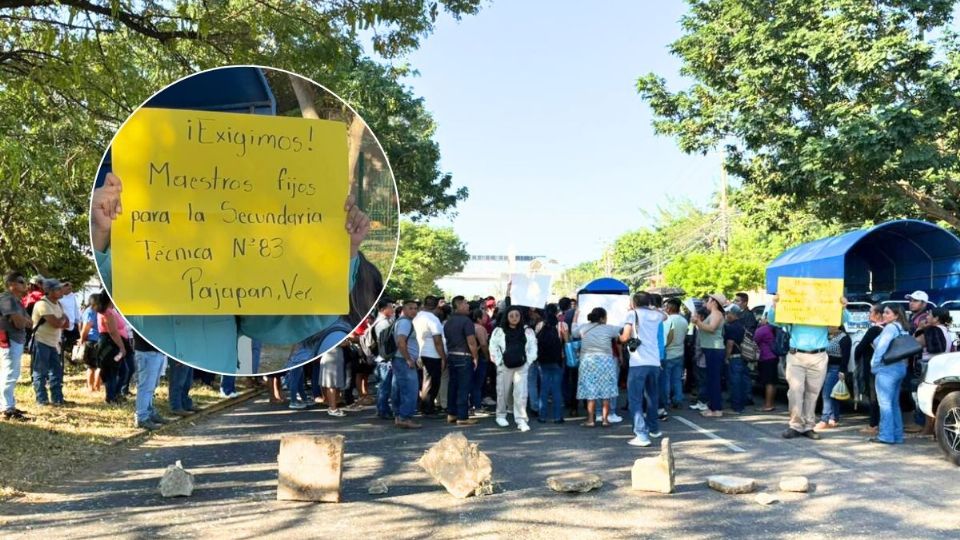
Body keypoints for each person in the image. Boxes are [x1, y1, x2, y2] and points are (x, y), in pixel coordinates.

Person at [89, 172, 370, 374]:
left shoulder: (237, 272)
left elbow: (306, 312)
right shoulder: (131, 258)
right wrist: (100, 230)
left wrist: (344, 250)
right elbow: (109, 284)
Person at [769, 294, 851, 440]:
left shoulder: (824, 311)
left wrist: (843, 307)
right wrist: (774, 305)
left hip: (818, 356)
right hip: (796, 355)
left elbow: (843, 320)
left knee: (813, 393)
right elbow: (774, 321)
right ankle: (795, 425)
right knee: (795, 391)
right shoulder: (795, 311)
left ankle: (808, 426)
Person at [572, 306, 629, 428]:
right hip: (606, 362)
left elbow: (573, 331)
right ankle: (605, 420)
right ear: (603, 318)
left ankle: (591, 420)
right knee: (606, 392)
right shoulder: (610, 329)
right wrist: (629, 315)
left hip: (588, 362)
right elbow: (624, 332)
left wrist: (576, 315)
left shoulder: (583, 328)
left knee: (590, 392)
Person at [624, 292, 666, 447]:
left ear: (634, 302)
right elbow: (665, 316)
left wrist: (620, 337)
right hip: (654, 361)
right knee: (652, 397)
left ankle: (641, 434)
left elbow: (625, 336)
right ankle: (654, 429)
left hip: (638, 363)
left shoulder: (631, 314)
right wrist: (653, 308)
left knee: (635, 399)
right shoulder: (656, 315)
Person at [490, 306, 537, 432]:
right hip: (504, 365)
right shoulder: (499, 331)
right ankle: (500, 415)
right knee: (503, 392)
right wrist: (499, 362)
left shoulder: (527, 331)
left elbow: (533, 346)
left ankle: (521, 419)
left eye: (517, 315)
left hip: (521, 366)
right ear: (507, 317)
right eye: (511, 316)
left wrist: (528, 361)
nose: (514, 318)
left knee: (521, 393)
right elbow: (493, 347)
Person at [869, 304, 912, 444]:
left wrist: (874, 364)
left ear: (896, 315)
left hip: (887, 368)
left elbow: (881, 347)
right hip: (899, 367)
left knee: (885, 404)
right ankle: (897, 435)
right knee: (893, 403)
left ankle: (886, 435)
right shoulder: (903, 328)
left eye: (888, 313)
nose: (884, 315)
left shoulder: (890, 328)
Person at [31, 278, 70, 406]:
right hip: (41, 341)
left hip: (53, 343)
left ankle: (57, 398)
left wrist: (62, 320)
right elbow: (56, 323)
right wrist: (63, 319)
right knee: (40, 372)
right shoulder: (42, 304)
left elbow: (66, 324)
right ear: (49, 291)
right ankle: (41, 399)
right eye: (58, 289)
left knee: (56, 372)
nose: (61, 291)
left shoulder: (58, 304)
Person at [916, 308, 954, 437]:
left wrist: (919, 329)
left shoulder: (932, 330)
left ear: (936, 318)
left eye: (930, 315)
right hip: (943, 364)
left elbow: (916, 343)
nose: (927, 317)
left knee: (927, 396)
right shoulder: (945, 330)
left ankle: (928, 429)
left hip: (930, 365)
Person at [444, 296, 479, 426]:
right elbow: (471, 341)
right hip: (464, 356)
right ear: (459, 305)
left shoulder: (448, 322)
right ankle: (462, 416)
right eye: (465, 303)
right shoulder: (466, 321)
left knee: (452, 386)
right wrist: (475, 357)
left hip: (451, 355)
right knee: (464, 387)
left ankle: (451, 413)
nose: (468, 306)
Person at [1, 272, 32, 421]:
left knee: (12, 373)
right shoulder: (6, 299)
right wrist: (23, 321)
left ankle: (9, 404)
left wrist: (23, 320)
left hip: (17, 340)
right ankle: (7, 408)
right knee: (10, 373)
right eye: (21, 282)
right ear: (11, 284)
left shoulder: (17, 302)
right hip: (10, 339)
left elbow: (29, 321)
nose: (24, 284)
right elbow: (20, 323)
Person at [692, 294, 727, 417]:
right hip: (711, 348)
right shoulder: (714, 314)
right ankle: (713, 407)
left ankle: (716, 409)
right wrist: (698, 322)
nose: (706, 302)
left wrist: (698, 323)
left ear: (714, 302)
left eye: (709, 300)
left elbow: (711, 328)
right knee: (711, 379)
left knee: (714, 380)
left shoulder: (717, 314)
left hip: (715, 349)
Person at [413, 295, 446, 416]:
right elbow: (437, 340)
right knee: (432, 382)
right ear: (437, 305)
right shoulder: (433, 319)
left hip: (419, 351)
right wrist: (443, 357)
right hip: (432, 354)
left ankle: (424, 406)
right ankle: (428, 408)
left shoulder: (417, 316)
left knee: (424, 381)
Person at [94, 292, 129, 404]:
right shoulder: (107, 313)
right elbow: (113, 332)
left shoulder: (110, 310)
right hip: (111, 346)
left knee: (123, 370)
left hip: (114, 344)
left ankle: (115, 394)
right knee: (112, 371)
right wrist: (122, 348)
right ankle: (111, 397)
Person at [392, 300, 422, 429]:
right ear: (404, 309)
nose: (414, 311)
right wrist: (409, 359)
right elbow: (401, 342)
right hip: (404, 360)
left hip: (400, 360)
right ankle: (404, 417)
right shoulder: (405, 323)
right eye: (411, 308)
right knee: (410, 390)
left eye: (416, 308)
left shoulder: (403, 322)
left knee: (400, 389)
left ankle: (400, 416)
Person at [855, 304, 884, 436]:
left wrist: (857, 357)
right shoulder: (889, 329)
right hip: (884, 367)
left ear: (878, 314)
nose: (868, 314)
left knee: (873, 396)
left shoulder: (875, 330)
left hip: (872, 366)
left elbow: (860, 347)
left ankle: (874, 425)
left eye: (871, 311)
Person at [133, 331, 171, 430]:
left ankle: (149, 413)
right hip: (146, 352)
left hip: (156, 352)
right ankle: (142, 417)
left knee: (152, 386)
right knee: (146, 386)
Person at [816, 327, 852, 430]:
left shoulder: (844, 338)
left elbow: (846, 356)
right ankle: (834, 418)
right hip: (825, 367)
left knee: (826, 394)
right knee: (833, 394)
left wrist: (842, 371)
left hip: (835, 368)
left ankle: (825, 419)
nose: (828, 327)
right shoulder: (828, 336)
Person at [535, 303, 566, 423]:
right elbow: (565, 343)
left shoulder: (540, 328)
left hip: (543, 361)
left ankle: (542, 416)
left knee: (544, 389)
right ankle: (558, 417)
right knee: (557, 390)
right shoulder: (560, 327)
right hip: (557, 361)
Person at [371, 298, 397, 420]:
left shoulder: (380, 322)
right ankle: (383, 410)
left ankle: (382, 409)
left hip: (381, 359)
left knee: (383, 386)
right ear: (382, 309)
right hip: (386, 360)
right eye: (390, 307)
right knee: (385, 387)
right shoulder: (384, 324)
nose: (392, 309)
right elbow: (389, 342)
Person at [661, 298, 688, 410]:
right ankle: (678, 399)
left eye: (666, 306)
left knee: (666, 379)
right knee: (677, 379)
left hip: (668, 353)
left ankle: (666, 400)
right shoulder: (684, 320)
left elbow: (665, 338)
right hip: (680, 352)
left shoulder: (667, 321)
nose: (665, 308)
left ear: (670, 308)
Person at [723, 304, 749, 414]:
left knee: (735, 383)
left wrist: (726, 357)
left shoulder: (731, 327)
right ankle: (741, 404)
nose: (727, 315)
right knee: (741, 381)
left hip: (734, 357)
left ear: (734, 314)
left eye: (728, 313)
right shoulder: (741, 325)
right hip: (742, 356)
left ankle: (736, 407)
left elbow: (730, 343)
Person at [752, 314, 779, 412]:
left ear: (768, 319)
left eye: (763, 317)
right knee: (772, 382)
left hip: (766, 357)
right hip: (774, 357)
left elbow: (754, 341)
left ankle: (768, 405)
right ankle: (771, 403)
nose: (760, 319)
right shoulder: (776, 329)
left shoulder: (763, 330)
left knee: (768, 382)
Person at [469, 308, 491, 415]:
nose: (486, 318)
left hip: (468, 356)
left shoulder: (469, 326)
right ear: (478, 318)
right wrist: (487, 356)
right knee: (477, 383)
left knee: (470, 382)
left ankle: (471, 405)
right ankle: (477, 406)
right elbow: (483, 344)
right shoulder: (480, 328)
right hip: (480, 357)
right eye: (484, 316)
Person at [79, 294, 102, 393]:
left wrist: (82, 339)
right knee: (98, 366)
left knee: (91, 366)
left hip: (91, 340)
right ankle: (97, 386)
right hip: (99, 340)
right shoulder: (98, 311)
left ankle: (91, 387)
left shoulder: (89, 311)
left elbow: (86, 327)